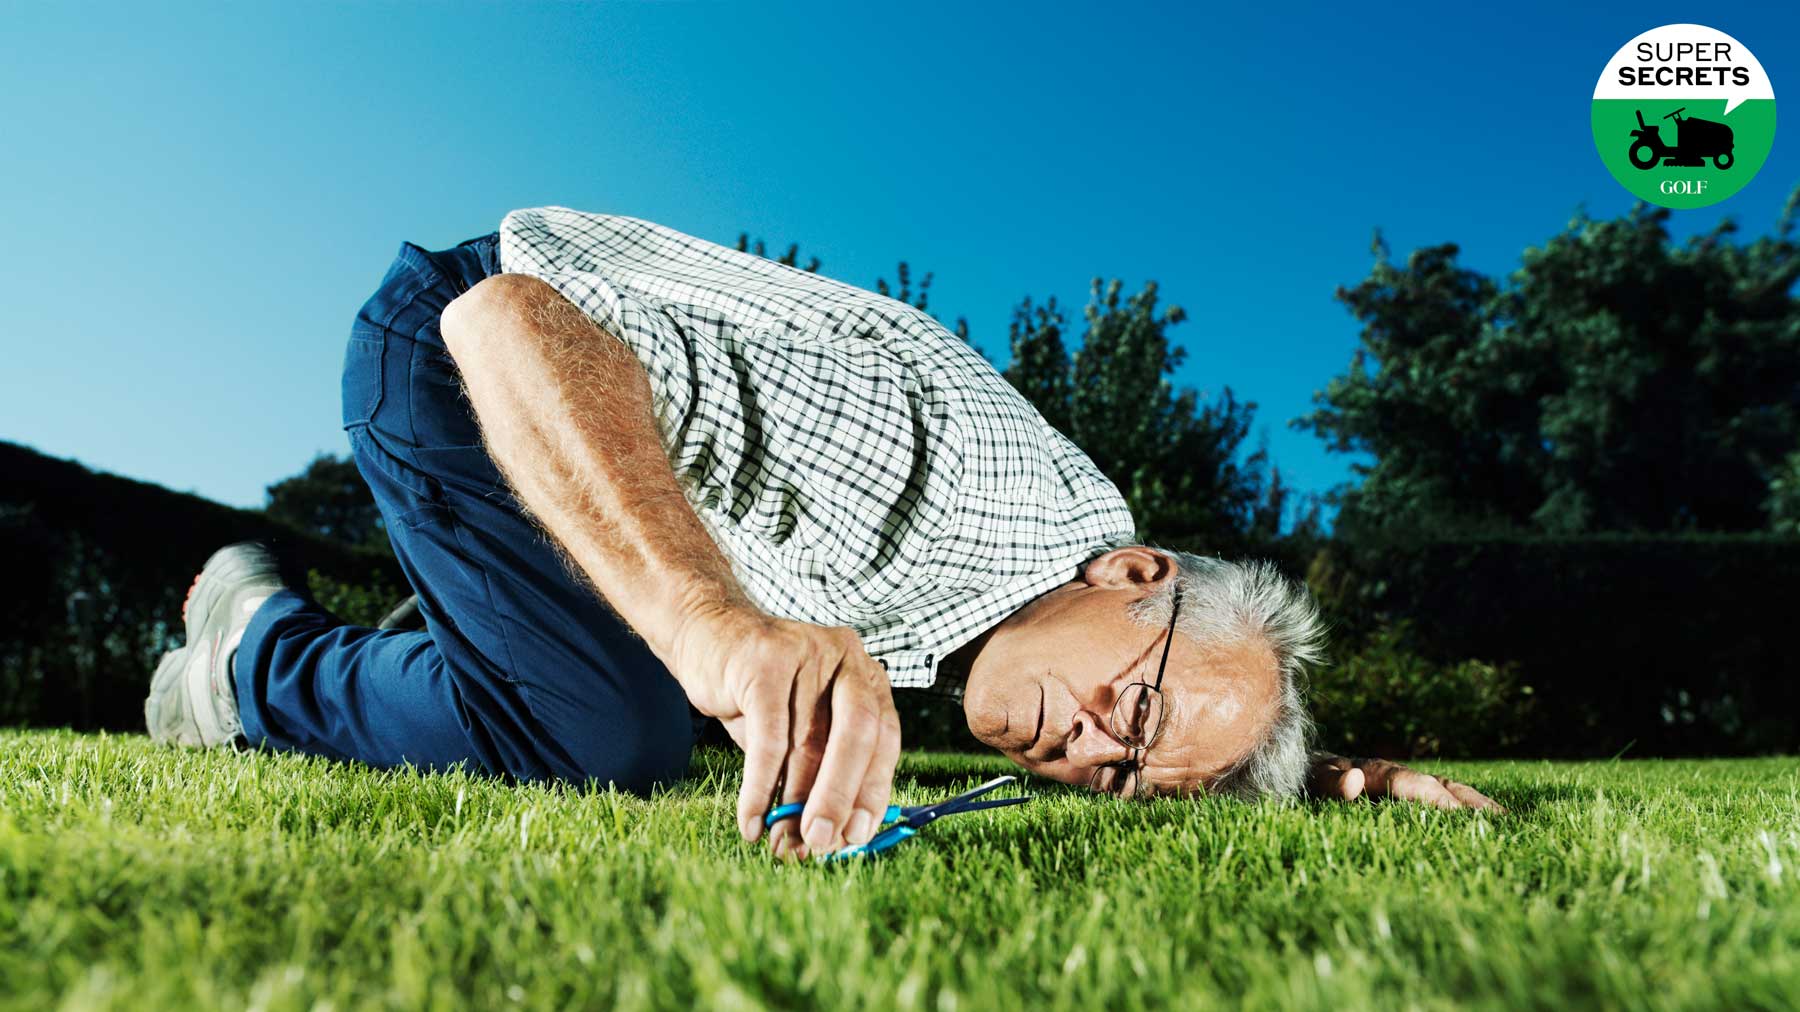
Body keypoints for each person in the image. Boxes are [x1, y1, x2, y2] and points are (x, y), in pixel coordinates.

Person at [145, 208, 1498, 859]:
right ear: (1134, 574)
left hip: (593, 430)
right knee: (605, 737)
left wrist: (1325, 777)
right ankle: (250, 651)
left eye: (1131, 776)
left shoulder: (1030, 612)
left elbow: (1177, 733)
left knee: (621, 680)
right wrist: (708, 632)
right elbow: (509, 327)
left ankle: (489, 634)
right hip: (459, 346)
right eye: (1123, 710)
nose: (1085, 754)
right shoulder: (937, 475)